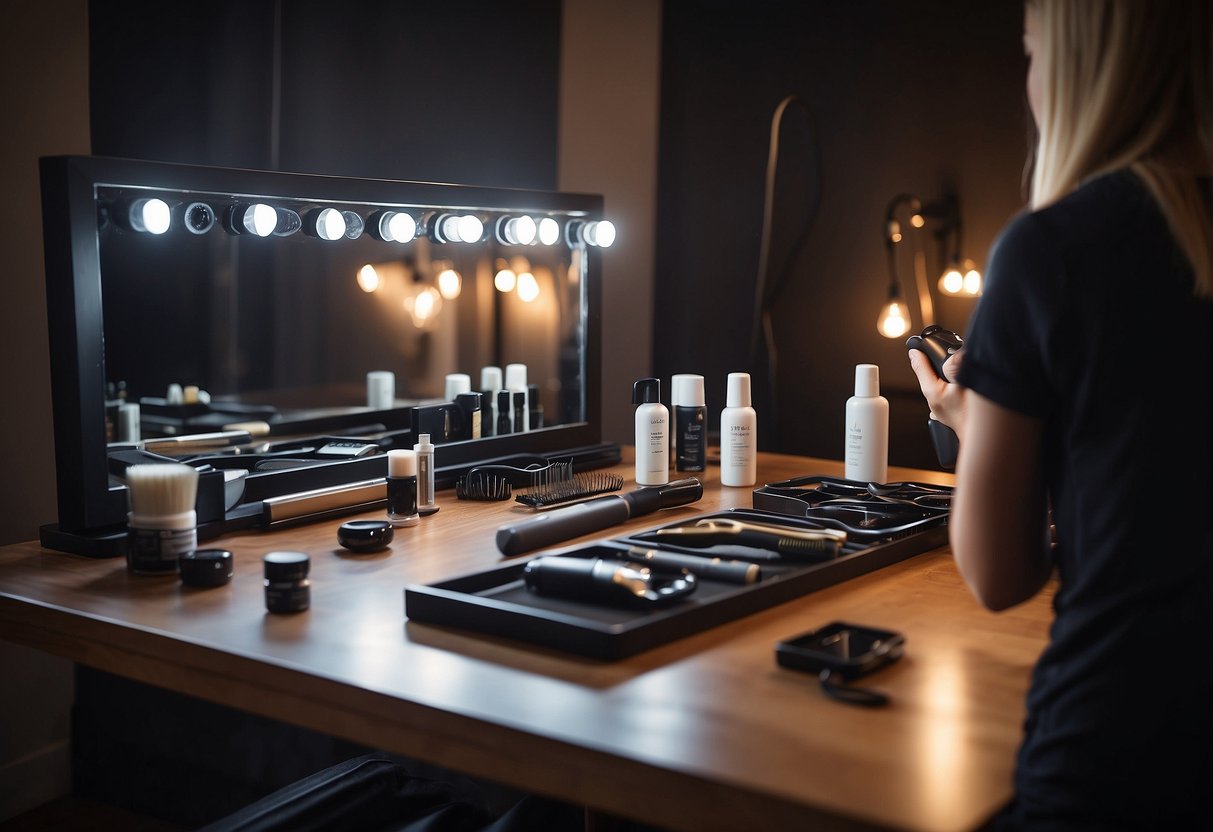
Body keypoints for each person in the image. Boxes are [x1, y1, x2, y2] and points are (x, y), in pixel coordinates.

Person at [908, 1, 1212, 829]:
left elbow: (1001, 576)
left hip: (1116, 756)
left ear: (1083, 70)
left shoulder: (1054, 252)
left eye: (1033, 54)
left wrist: (975, 428)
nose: (1031, 83)